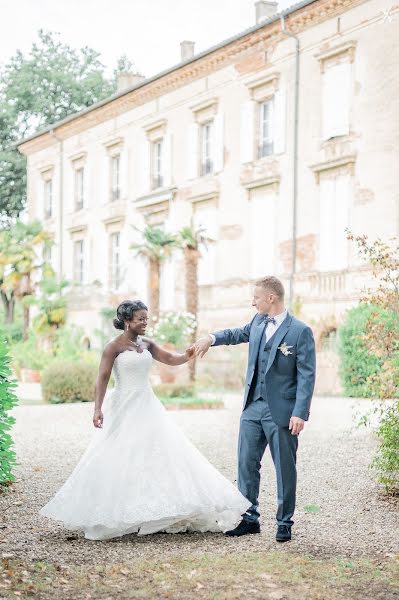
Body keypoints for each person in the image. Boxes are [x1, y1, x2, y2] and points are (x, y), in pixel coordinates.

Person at [40, 300, 250, 540]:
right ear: (127, 320)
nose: (145, 323)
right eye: (140, 318)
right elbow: (103, 377)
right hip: (124, 406)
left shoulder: (147, 343)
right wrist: (97, 408)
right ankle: (119, 511)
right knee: (122, 453)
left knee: (157, 452)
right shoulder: (113, 347)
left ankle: (155, 508)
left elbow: (171, 359)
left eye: (147, 318)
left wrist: (187, 355)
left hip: (147, 405)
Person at [194, 276, 316, 542]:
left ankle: (284, 522)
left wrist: (300, 412)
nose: (253, 302)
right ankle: (250, 518)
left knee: (285, 467)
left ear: (271, 298)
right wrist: (211, 337)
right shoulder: (258, 322)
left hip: (282, 412)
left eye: (256, 298)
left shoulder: (299, 331)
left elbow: (307, 375)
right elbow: (236, 334)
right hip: (252, 406)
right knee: (246, 463)